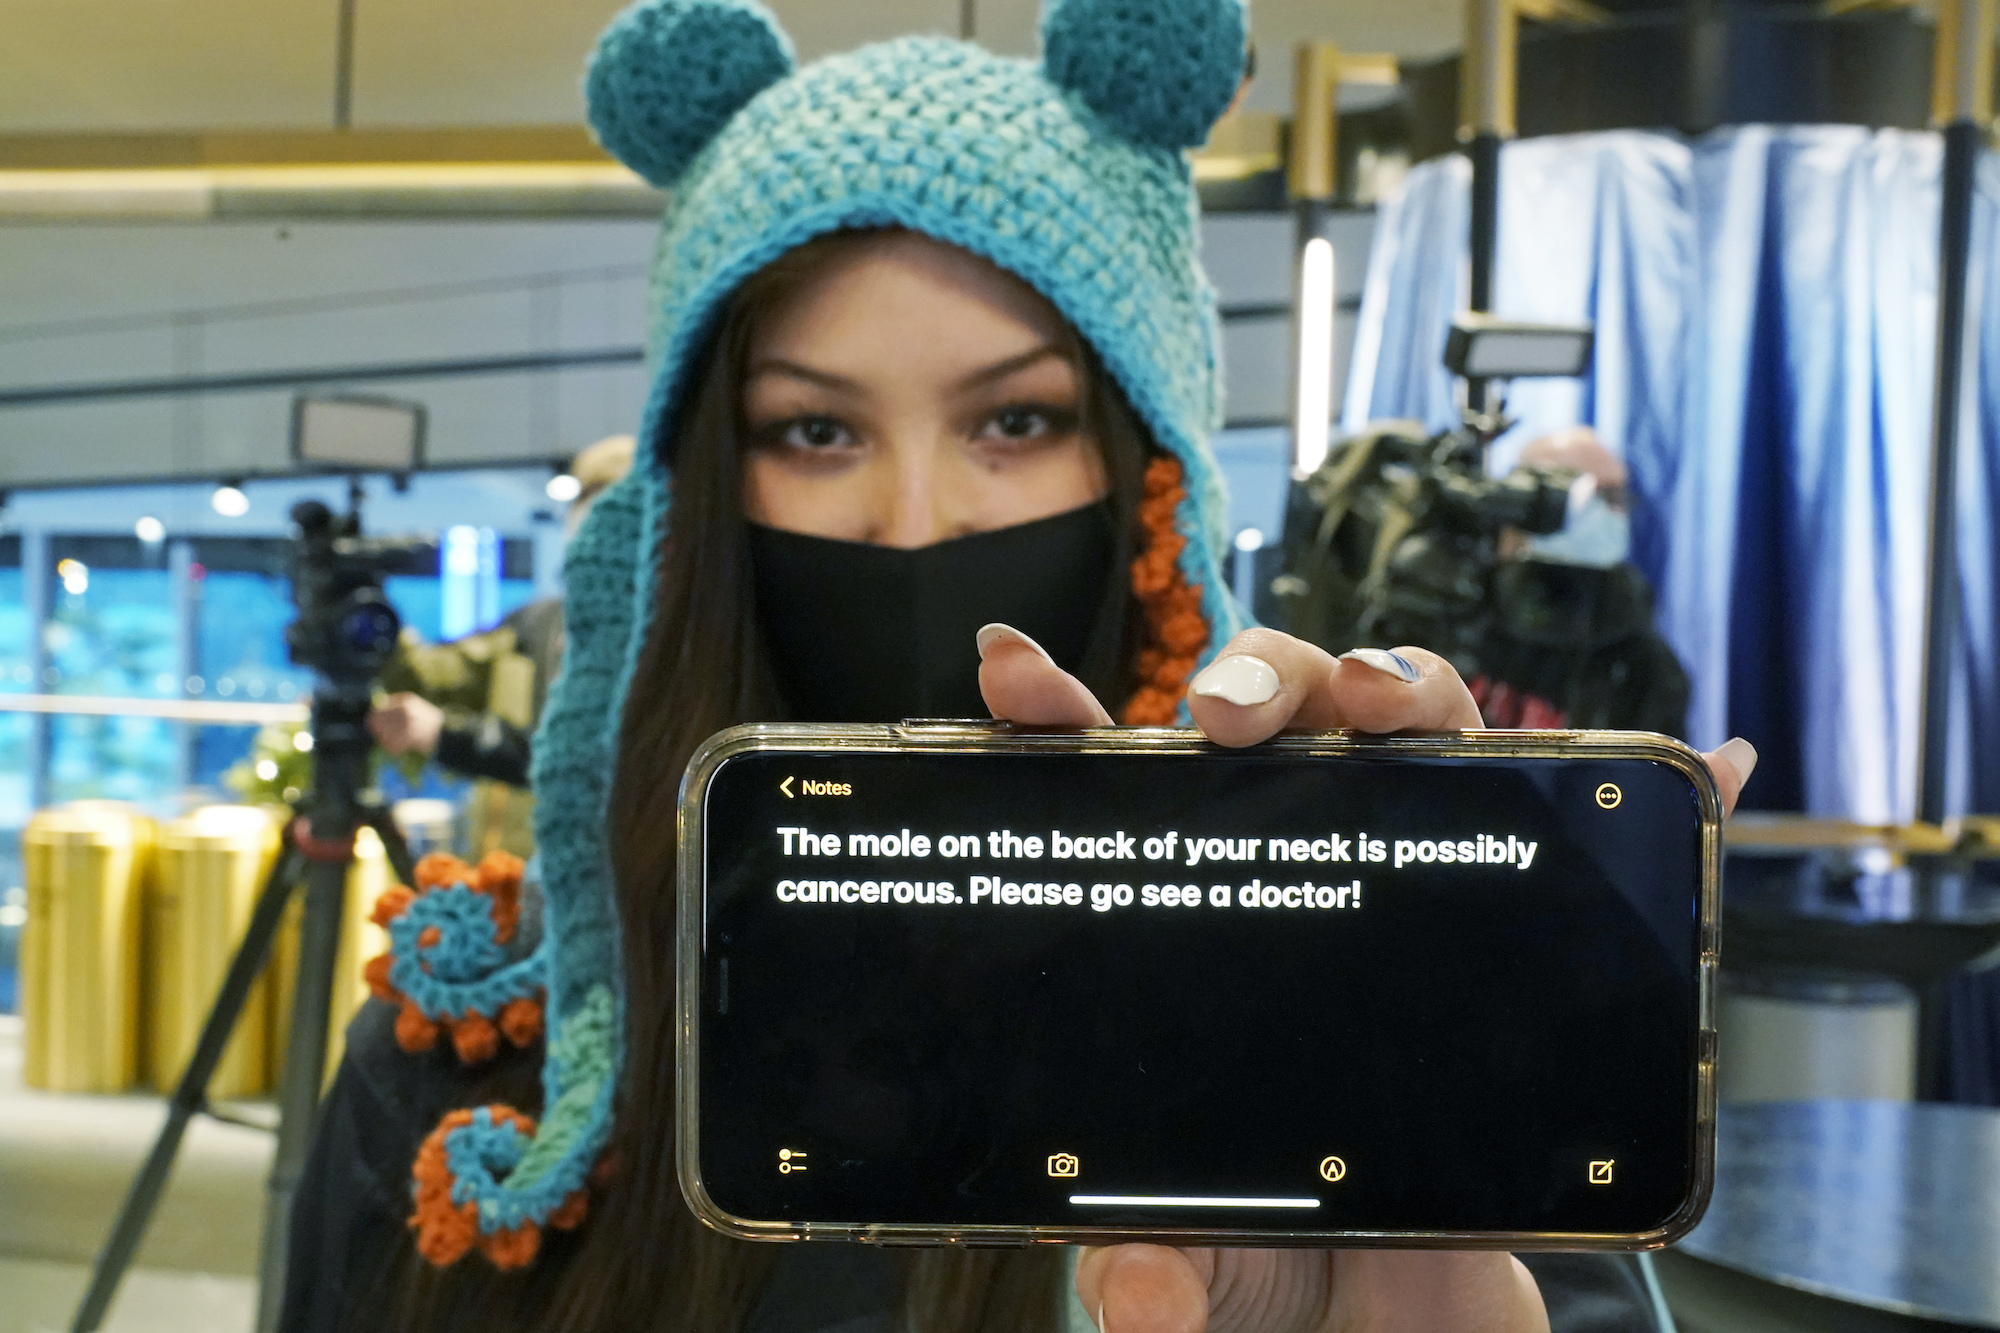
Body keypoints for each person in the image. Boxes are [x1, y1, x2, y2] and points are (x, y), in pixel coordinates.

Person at [280, 3, 1758, 1332]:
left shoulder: (1391, 1021)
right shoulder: (469, 1072)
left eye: (1015, 423)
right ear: (694, 494)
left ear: (1150, 474)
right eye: (815, 431)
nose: (917, 527)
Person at [368, 435, 636, 791]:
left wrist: (447, 738)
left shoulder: (660, 636)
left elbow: (585, 767)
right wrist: (372, 621)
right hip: (508, 843)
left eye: (613, 503)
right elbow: (437, 674)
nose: (595, 523)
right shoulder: (538, 622)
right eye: (585, 500)